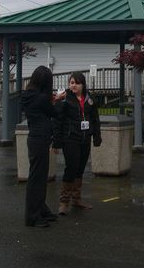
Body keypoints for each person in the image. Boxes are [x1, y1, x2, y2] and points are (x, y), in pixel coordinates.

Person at [20, 65, 64, 228]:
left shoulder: (29, 95)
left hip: (35, 139)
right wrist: (59, 100)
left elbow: (43, 107)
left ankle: (41, 209)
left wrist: (52, 100)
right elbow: (55, 113)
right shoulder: (41, 98)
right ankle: (32, 217)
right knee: (36, 180)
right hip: (40, 140)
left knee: (38, 177)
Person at [53, 71, 102, 215]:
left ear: (83, 84)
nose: (73, 85)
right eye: (71, 82)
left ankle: (77, 199)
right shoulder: (65, 98)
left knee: (80, 168)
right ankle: (63, 202)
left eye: (76, 83)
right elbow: (57, 121)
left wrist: (97, 136)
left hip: (85, 139)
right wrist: (56, 142)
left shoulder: (90, 99)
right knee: (71, 167)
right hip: (70, 139)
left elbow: (95, 119)